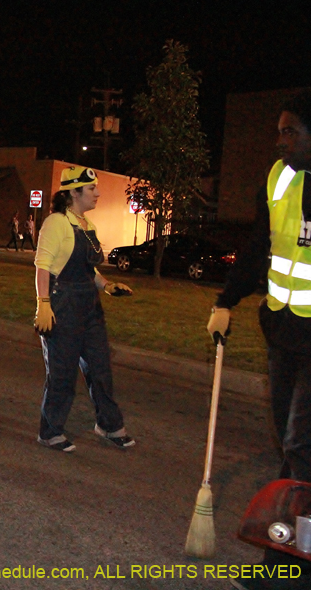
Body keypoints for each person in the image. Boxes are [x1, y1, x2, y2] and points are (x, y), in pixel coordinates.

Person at [207, 91, 311, 590]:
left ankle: (287, 568)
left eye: (291, 131)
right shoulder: (277, 177)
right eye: (279, 130)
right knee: (293, 448)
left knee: (299, 446)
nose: (281, 140)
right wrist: (225, 301)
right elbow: (260, 248)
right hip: (284, 333)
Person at [33, 166, 134, 452]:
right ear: (74, 193)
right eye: (92, 189)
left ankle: (109, 425)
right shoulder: (56, 223)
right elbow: (42, 267)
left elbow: (89, 271)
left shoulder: (87, 226)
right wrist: (43, 305)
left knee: (101, 369)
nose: (98, 193)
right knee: (62, 374)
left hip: (89, 306)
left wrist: (106, 285)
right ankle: (50, 431)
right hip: (62, 305)